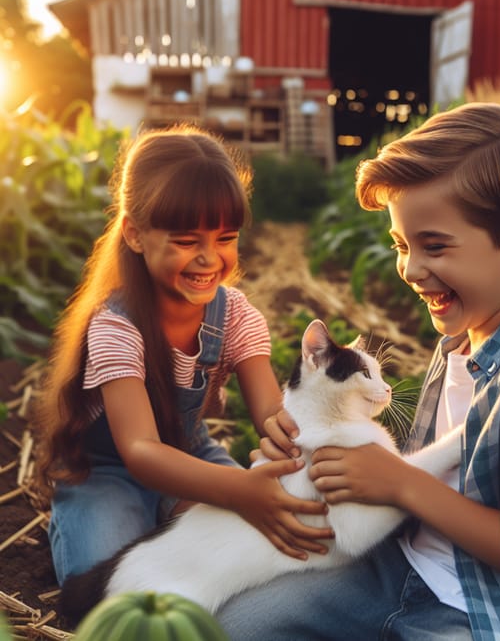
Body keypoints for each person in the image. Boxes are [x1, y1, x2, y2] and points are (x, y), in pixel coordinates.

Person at [216, 103, 500, 640]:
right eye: (401, 245)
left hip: (493, 611)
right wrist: (322, 464)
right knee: (232, 627)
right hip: (403, 567)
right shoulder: (460, 341)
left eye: (434, 246)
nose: (411, 270)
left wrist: (402, 484)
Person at [35, 124, 332, 586]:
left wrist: (297, 437)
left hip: (191, 454)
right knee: (109, 586)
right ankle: (80, 517)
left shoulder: (233, 315)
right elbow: (139, 451)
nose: (210, 259)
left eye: (225, 238)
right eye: (187, 241)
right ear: (135, 235)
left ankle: (168, 518)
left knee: (253, 556)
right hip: (111, 470)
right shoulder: (116, 325)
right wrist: (238, 490)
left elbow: (272, 409)